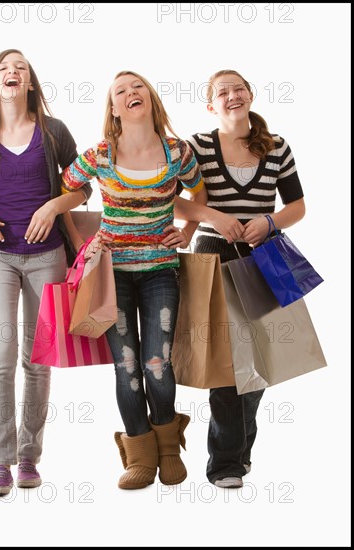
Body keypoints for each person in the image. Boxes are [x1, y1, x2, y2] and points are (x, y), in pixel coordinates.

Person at [61, 70, 206, 490]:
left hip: (161, 268)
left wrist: (189, 233)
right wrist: (79, 243)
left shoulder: (177, 153)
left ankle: (168, 446)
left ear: (150, 98)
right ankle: (139, 452)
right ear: (113, 108)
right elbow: (67, 190)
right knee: (127, 367)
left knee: (157, 364)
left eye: (137, 86)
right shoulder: (100, 154)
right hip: (112, 275)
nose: (130, 93)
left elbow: (199, 195)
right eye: (120, 91)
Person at [0, 49, 90, 496]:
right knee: (0, 358)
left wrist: (54, 204)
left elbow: (83, 185)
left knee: (37, 360)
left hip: (47, 255)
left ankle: (29, 456)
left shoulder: (54, 132)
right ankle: (0, 462)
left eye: (20, 68)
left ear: (30, 82)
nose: (11, 72)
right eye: (3, 67)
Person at [177, 69, 306, 488]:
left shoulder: (278, 146)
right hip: (214, 255)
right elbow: (174, 200)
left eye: (238, 89)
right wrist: (215, 216)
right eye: (221, 92)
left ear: (250, 94)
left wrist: (269, 221)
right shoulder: (196, 146)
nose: (231, 96)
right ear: (210, 105)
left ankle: (240, 447)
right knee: (229, 365)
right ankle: (226, 462)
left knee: (266, 360)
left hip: (268, 255)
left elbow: (298, 206)